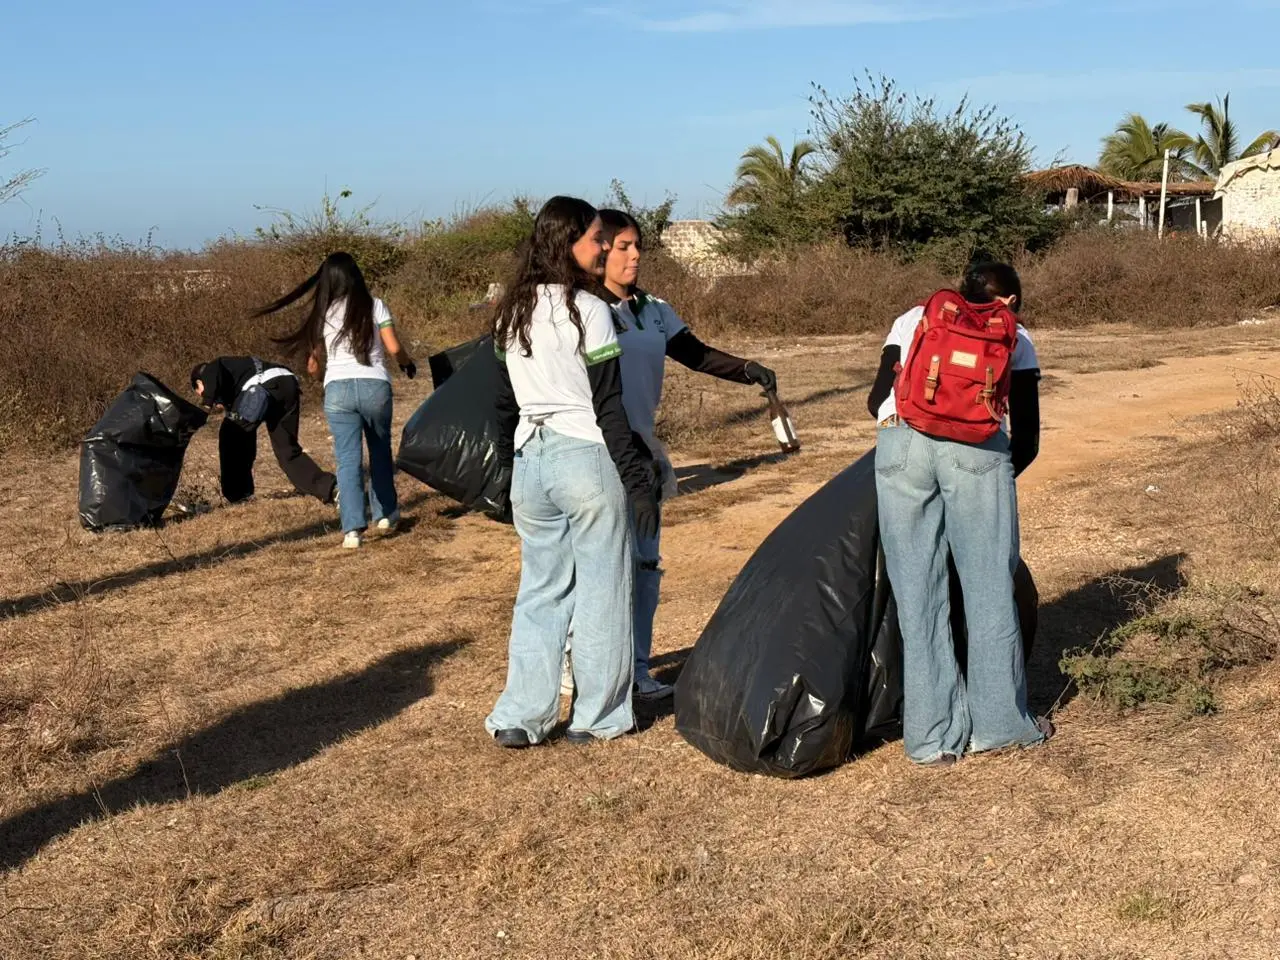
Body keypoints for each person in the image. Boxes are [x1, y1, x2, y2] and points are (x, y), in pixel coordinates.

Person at [573, 208, 779, 701]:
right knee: (595, 565)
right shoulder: (581, 310)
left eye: (637, 244)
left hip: (640, 450)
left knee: (645, 565)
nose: (633, 254)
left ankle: (638, 668)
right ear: (599, 250)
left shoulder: (653, 309)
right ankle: (575, 662)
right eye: (622, 246)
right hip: (593, 451)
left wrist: (747, 368)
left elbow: (695, 353)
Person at [485, 196, 658, 749]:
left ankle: (521, 715)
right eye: (596, 239)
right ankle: (598, 716)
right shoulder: (591, 309)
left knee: (540, 588)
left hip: (530, 460)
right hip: (584, 455)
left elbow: (502, 399)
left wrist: (506, 467)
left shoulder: (512, 309)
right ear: (569, 243)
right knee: (605, 588)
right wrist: (637, 481)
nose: (604, 247)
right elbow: (610, 408)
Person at [867, 261, 1050, 766]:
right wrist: (987, 486)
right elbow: (1028, 437)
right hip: (976, 452)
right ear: (1009, 302)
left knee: (917, 593)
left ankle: (931, 738)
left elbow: (875, 401)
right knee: (989, 587)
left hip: (900, 443)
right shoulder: (1016, 335)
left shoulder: (914, 319)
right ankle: (998, 726)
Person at [258, 252, 417, 549]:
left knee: (348, 460)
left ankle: (352, 530)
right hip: (375, 387)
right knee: (380, 450)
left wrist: (322, 379)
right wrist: (407, 364)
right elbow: (394, 348)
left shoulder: (323, 313)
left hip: (337, 391)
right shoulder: (375, 305)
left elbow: (314, 366)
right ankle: (385, 515)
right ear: (356, 276)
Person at [190, 356, 336, 506]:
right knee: (286, 450)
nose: (208, 398)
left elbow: (212, 370)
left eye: (200, 391)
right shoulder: (237, 373)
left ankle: (239, 495)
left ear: (200, 382)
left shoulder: (212, 368)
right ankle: (329, 488)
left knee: (230, 433)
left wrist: (206, 403)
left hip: (265, 386)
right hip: (287, 384)